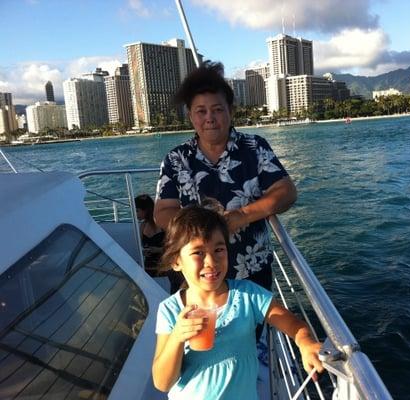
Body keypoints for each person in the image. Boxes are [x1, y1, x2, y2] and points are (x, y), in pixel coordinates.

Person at [152, 206, 323, 399]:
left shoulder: (247, 295)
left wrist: (305, 342)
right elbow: (162, 382)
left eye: (219, 249)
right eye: (198, 253)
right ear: (176, 261)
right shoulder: (170, 310)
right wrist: (176, 337)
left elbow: (291, 323)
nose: (211, 261)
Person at [154, 61, 296, 291]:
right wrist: (204, 229)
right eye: (201, 111)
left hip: (249, 273)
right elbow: (162, 212)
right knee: (198, 328)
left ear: (230, 111)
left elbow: (286, 192)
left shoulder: (254, 147)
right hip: (195, 277)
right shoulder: (176, 159)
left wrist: (242, 215)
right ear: (191, 116)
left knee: (253, 327)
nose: (209, 118)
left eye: (217, 109)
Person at [135, 194, 182, 293]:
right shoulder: (142, 227)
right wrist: (144, 251)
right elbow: (141, 247)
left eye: (137, 210)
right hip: (149, 265)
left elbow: (175, 246)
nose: (135, 214)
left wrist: (158, 250)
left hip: (165, 265)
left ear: (145, 210)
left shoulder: (162, 224)